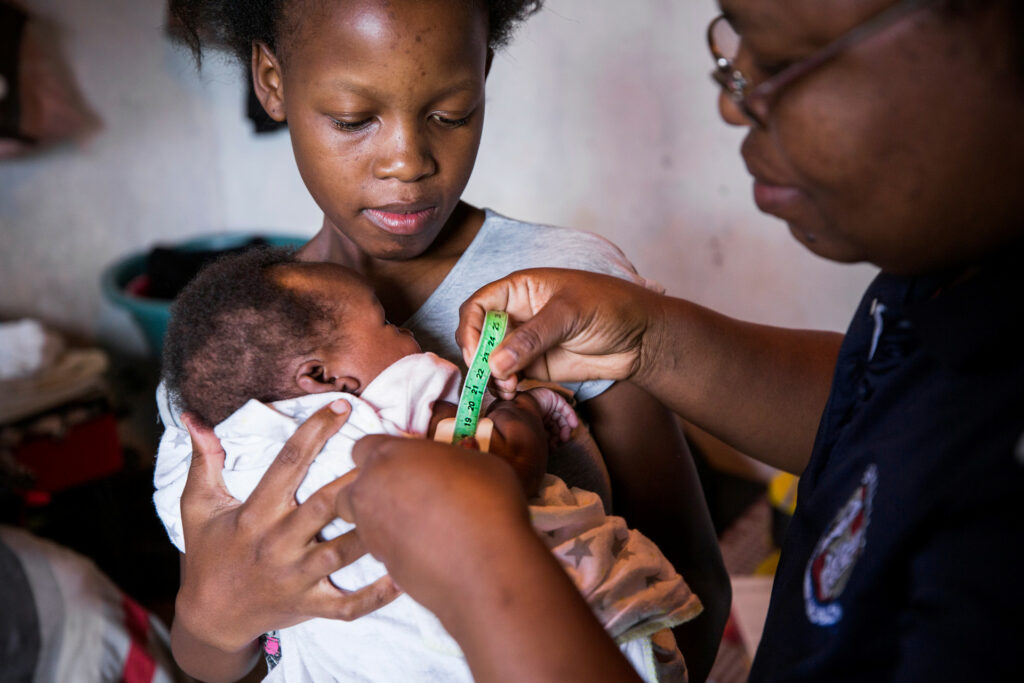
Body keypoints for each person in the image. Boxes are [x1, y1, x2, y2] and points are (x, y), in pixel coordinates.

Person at [330, 0, 1024, 680]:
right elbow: (887, 413)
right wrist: (653, 340)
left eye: (782, 59)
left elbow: (688, 591)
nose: (733, 99)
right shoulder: (946, 288)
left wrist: (482, 563)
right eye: (733, 43)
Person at [165, 0, 728, 680]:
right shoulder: (228, 356)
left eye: (451, 113)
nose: (408, 161)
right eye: (353, 118)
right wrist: (212, 617)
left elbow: (691, 579)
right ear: (272, 81)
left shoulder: (573, 293)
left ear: (484, 73)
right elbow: (218, 659)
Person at [155, 247, 702, 681]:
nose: (408, 336)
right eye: (389, 322)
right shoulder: (398, 392)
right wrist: (523, 410)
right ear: (325, 380)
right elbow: (504, 469)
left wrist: (210, 619)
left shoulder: (203, 446)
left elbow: (201, 598)